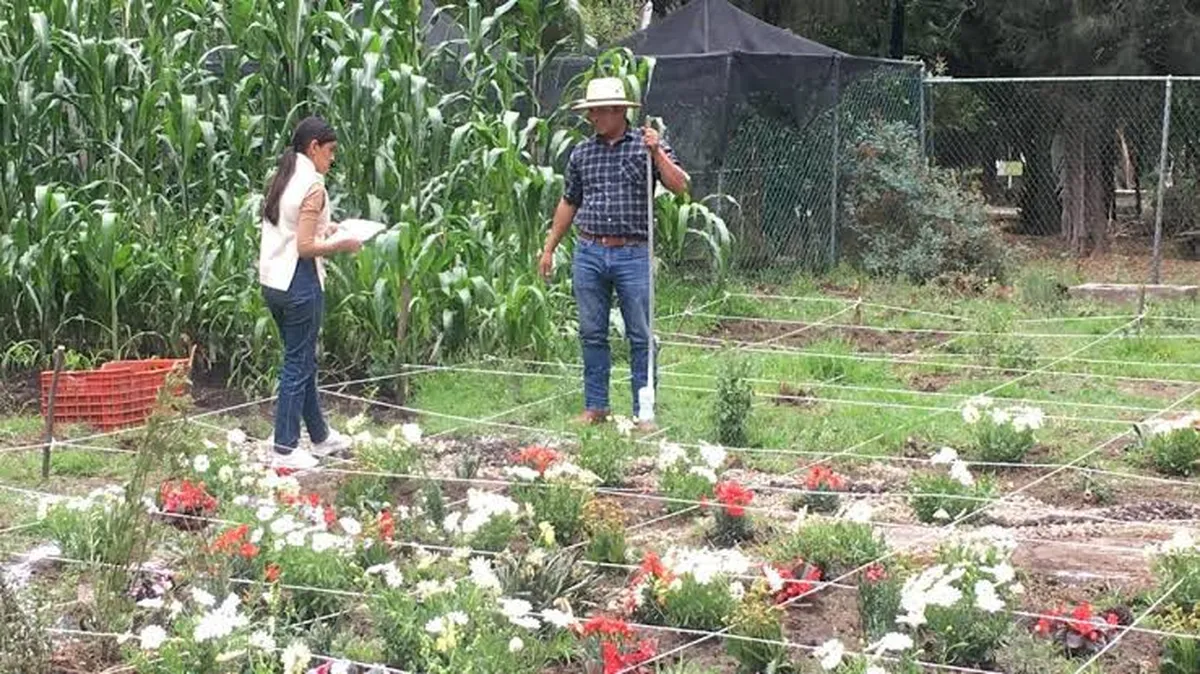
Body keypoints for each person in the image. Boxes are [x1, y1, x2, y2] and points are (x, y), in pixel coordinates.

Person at [539, 77, 690, 426]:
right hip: (590, 250)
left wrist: (656, 153)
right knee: (592, 332)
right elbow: (569, 201)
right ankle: (596, 407)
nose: (592, 117)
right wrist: (549, 248)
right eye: (590, 111)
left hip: (633, 253)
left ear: (619, 111)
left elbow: (680, 185)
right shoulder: (582, 153)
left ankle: (644, 411)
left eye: (598, 111)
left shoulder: (647, 144)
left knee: (640, 333)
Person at [258, 116, 361, 469]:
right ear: (313, 147)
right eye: (329, 151)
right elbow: (304, 246)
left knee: (301, 359)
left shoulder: (284, 177)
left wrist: (325, 227)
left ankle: (319, 436)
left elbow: (292, 229)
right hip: (299, 281)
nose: (332, 159)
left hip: (273, 280)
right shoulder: (313, 185)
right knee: (297, 364)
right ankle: (284, 447)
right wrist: (342, 243)